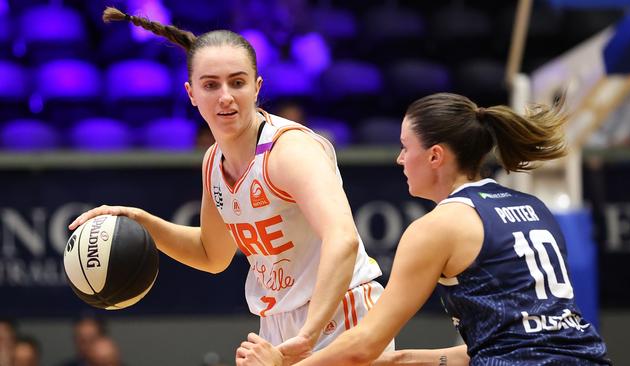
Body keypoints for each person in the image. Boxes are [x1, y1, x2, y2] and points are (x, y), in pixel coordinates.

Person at [69, 6, 390, 363]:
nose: (225, 96)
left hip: (338, 314)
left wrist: (308, 334)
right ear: (191, 93)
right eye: (211, 85)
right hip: (279, 321)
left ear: (257, 87)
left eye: (237, 82)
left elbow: (342, 238)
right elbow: (212, 253)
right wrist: (144, 223)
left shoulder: (290, 151)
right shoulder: (213, 162)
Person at [236, 92, 612, 365]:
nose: (400, 159)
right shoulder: (534, 207)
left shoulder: (439, 226)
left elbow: (364, 343)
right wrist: (401, 359)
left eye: (405, 147)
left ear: (435, 156)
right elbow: (508, 340)